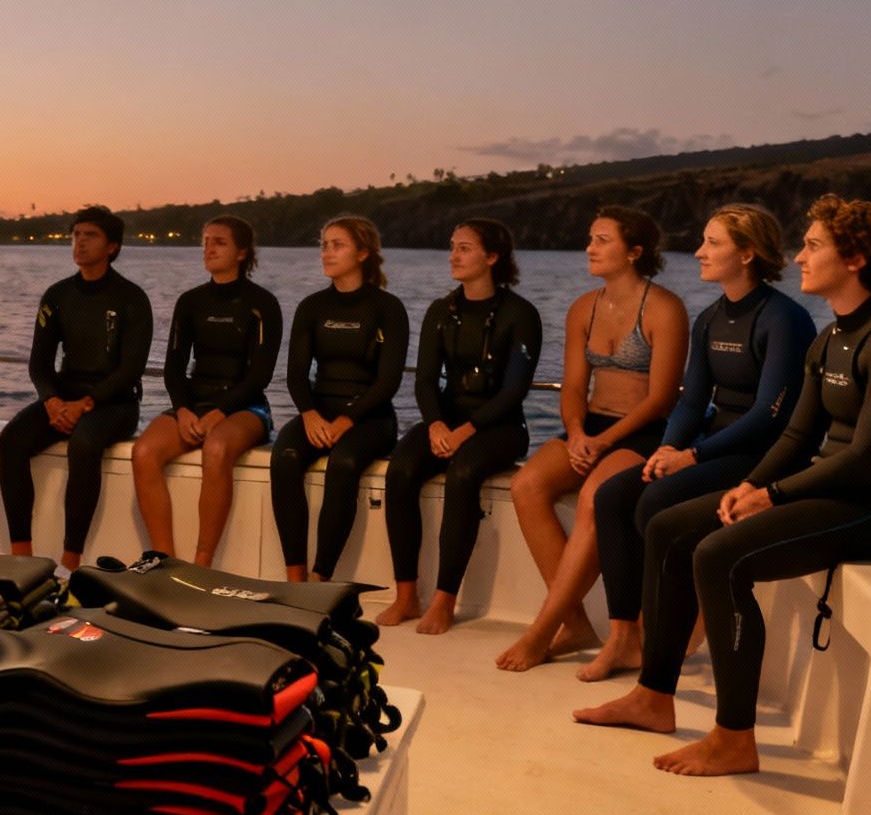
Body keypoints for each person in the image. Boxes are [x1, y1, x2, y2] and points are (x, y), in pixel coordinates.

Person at [575, 196, 871, 778]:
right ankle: (653, 696)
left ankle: (734, 738)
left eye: (813, 245)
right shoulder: (832, 337)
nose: (798, 256)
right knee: (669, 527)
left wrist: (772, 495)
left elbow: (867, 458)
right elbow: (800, 433)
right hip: (834, 489)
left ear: (855, 258)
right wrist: (752, 483)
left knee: (719, 556)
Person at [577, 205, 816, 679]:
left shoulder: (783, 319)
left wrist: (693, 455)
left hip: (762, 453)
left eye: (713, 243)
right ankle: (624, 636)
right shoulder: (710, 318)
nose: (699, 252)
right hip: (711, 443)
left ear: (747, 254)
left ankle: (666, 626)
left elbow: (769, 413)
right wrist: (667, 450)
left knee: (655, 501)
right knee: (612, 496)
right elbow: (691, 401)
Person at [497, 205, 687, 672]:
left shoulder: (665, 308)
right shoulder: (584, 307)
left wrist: (604, 443)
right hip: (592, 426)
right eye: (590, 239)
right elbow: (573, 387)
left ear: (634, 252)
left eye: (602, 240)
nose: (590, 248)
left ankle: (541, 630)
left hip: (642, 431)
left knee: (594, 498)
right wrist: (579, 433)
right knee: (526, 485)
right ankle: (576, 623)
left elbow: (662, 397)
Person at [376, 219, 542, 632]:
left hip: (501, 426)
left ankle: (445, 600)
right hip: (447, 420)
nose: (453, 256)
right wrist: (435, 425)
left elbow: (514, 390)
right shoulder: (441, 310)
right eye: (452, 247)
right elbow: (425, 380)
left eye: (464, 248)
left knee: (464, 474)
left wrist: (466, 431)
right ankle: (407, 595)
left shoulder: (521, 314)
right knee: (400, 470)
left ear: (492, 256)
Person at [0, 206, 153, 571]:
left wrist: (86, 403)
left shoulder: (131, 298)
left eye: (90, 235)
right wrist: (51, 400)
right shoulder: (57, 295)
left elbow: (131, 369)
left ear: (112, 247)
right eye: (76, 235)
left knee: (84, 443)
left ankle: (70, 562)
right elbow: (39, 363)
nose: (80, 242)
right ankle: (21, 557)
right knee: (11, 441)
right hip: (65, 397)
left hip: (116, 402)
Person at [131, 217, 282, 565]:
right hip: (195, 403)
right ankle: (163, 558)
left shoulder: (263, 304)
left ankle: (203, 562)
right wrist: (184, 410)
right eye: (206, 242)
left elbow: (260, 376)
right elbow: (174, 368)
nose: (209, 249)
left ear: (242, 253)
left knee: (215, 448)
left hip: (246, 406)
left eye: (220, 242)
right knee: (144, 452)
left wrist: (220, 412)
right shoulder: (190, 302)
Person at [269, 216, 409, 583]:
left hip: (372, 416)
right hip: (320, 411)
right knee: (284, 457)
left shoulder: (388, 308)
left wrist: (347, 420)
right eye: (324, 245)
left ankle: (320, 579)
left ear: (362, 254)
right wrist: (310, 414)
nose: (326, 253)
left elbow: (388, 381)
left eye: (337, 245)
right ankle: (295, 578)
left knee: (343, 463)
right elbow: (296, 375)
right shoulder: (312, 307)